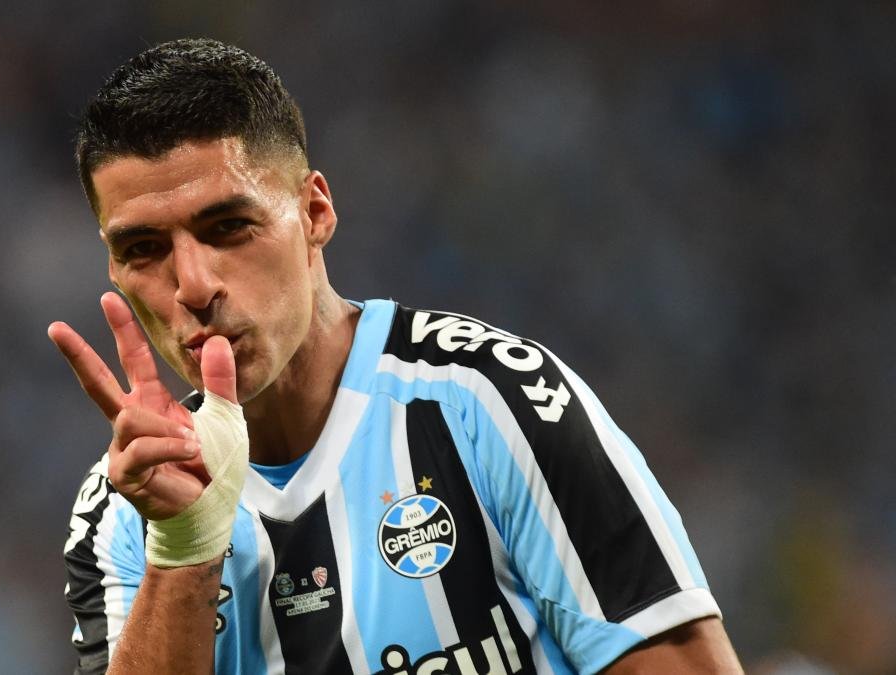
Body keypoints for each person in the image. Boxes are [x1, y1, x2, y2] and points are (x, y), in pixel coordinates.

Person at [49, 38, 742, 675]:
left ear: (315, 213)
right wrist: (185, 549)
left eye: (229, 226)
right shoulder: (123, 508)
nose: (194, 285)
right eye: (144, 249)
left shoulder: (493, 399)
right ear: (113, 269)